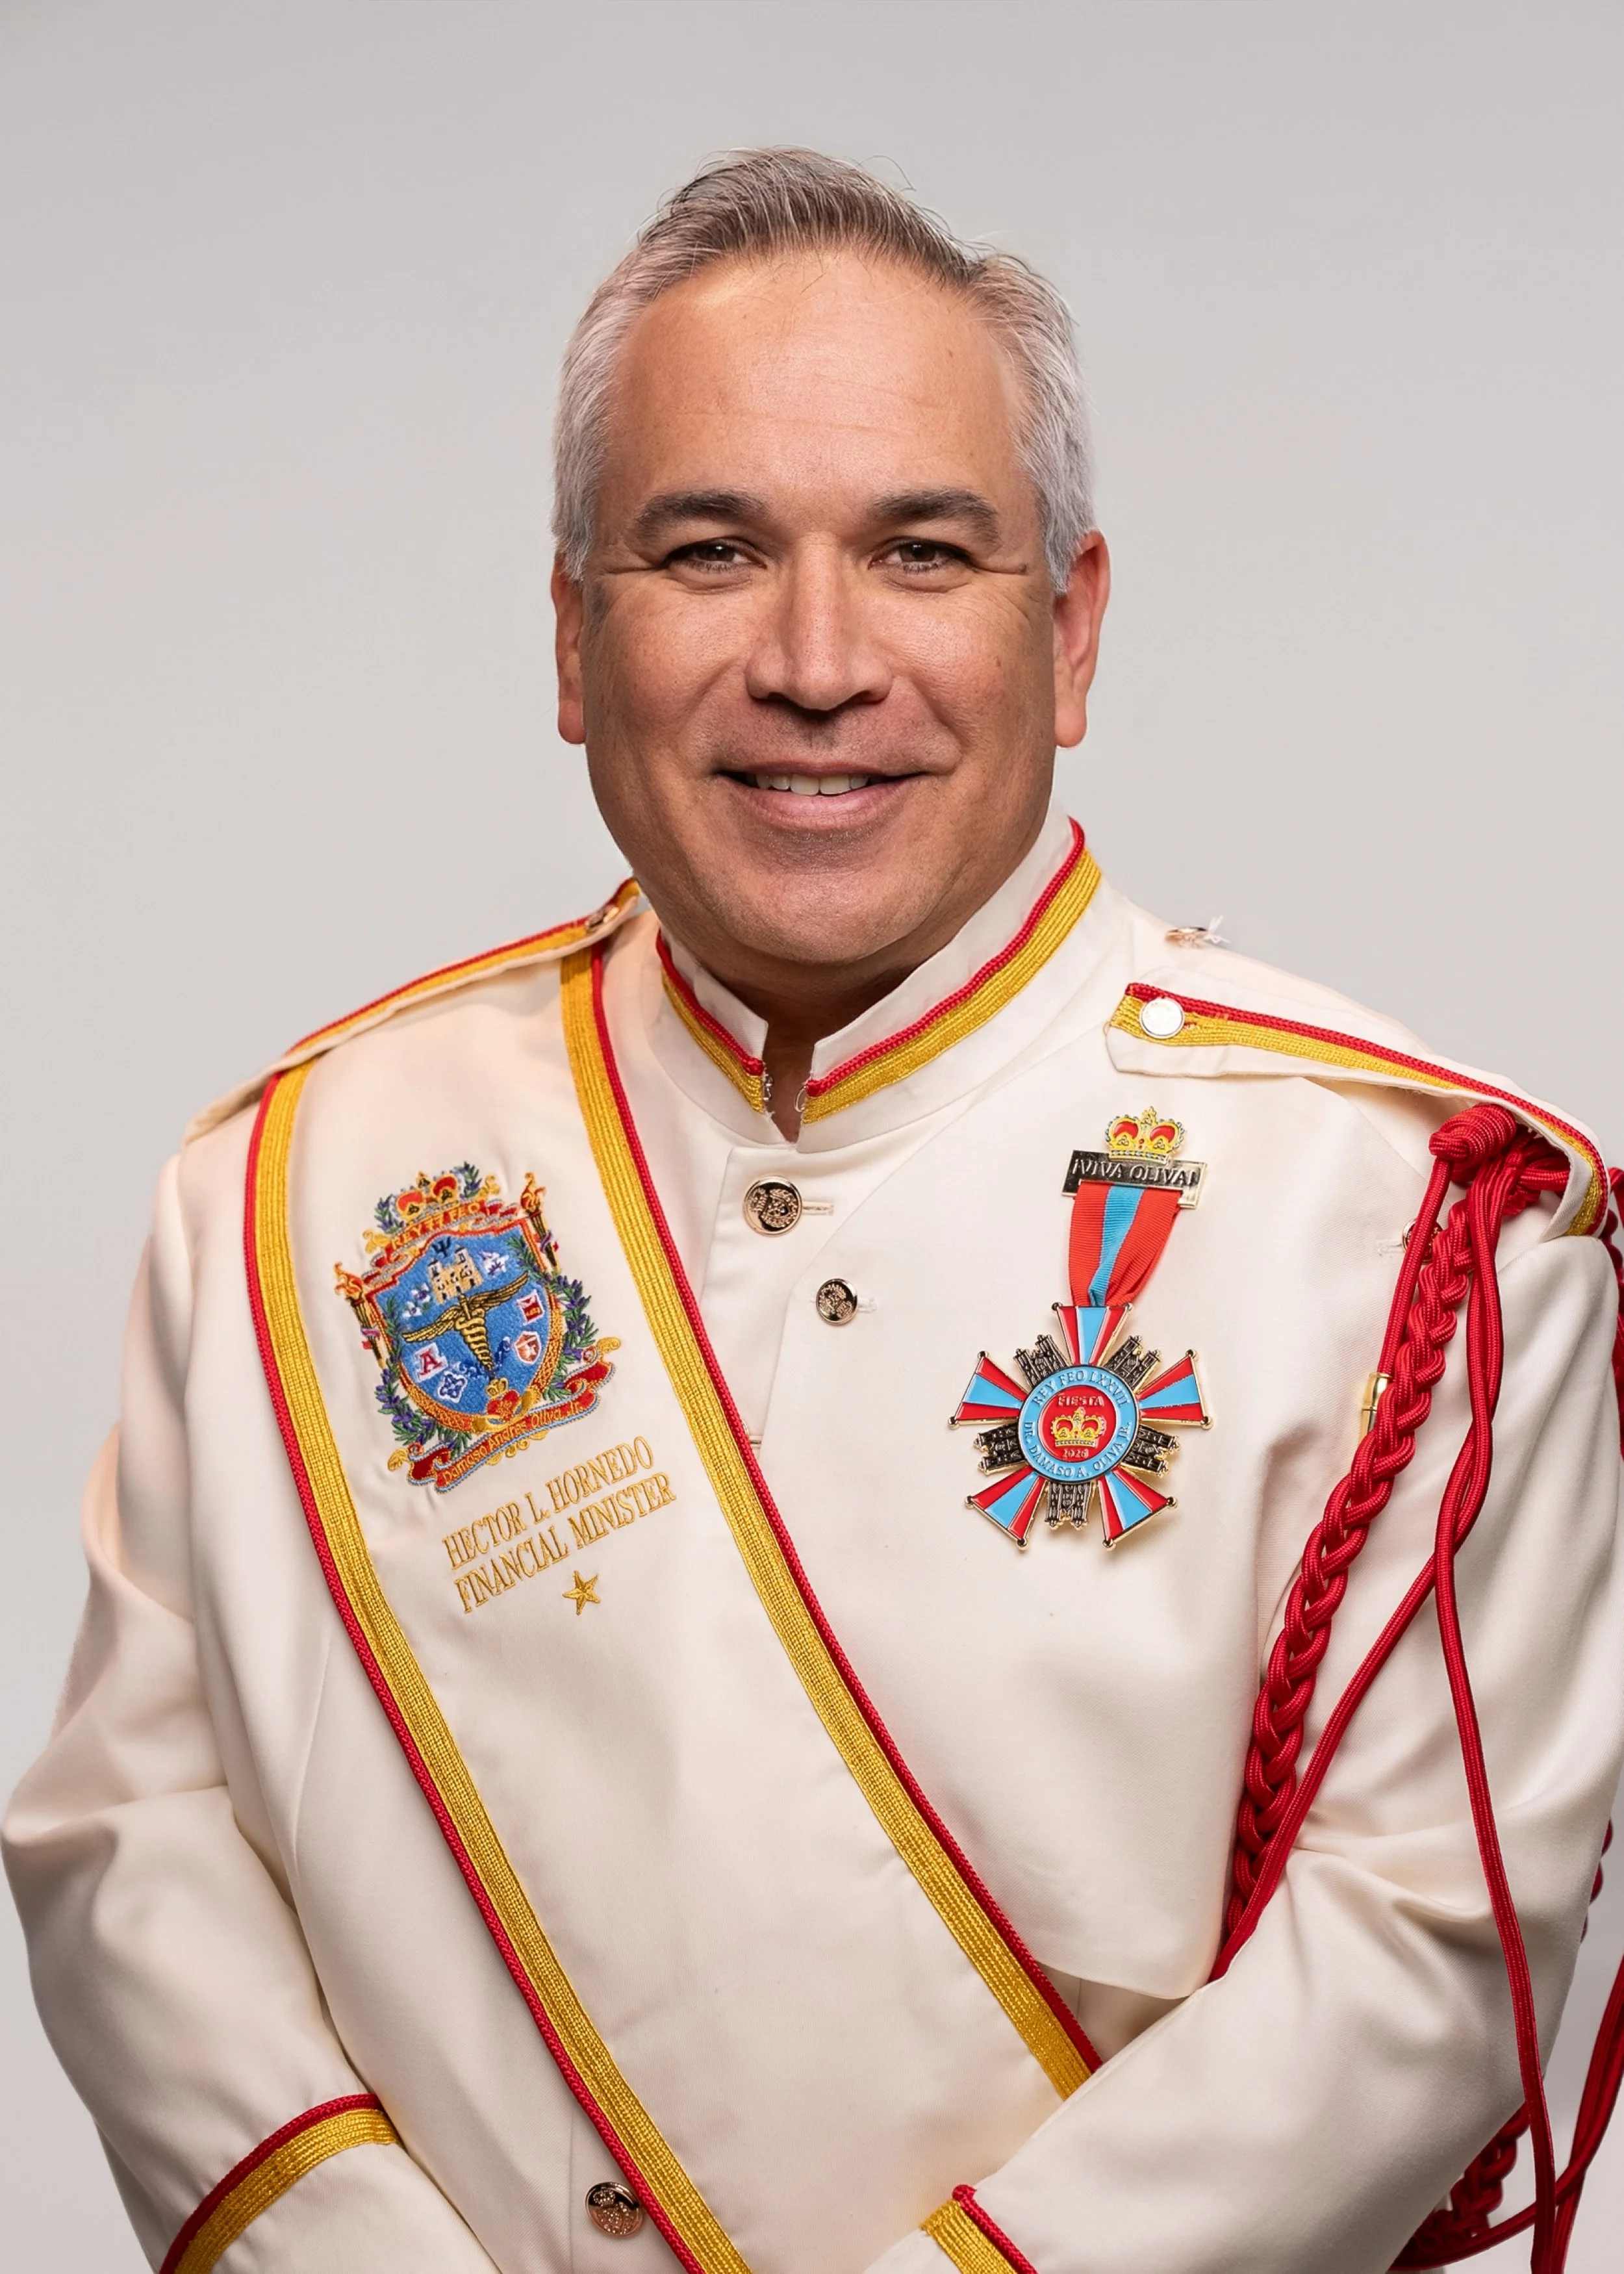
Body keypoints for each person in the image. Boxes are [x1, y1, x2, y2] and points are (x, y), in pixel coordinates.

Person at [6, 147, 1623, 2274]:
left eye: (920, 552)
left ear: (1069, 630)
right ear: (572, 636)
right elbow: (134, 1840)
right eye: (710, 551)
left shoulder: (1417, 1218)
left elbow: (1421, 1945)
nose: (816, 658)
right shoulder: (297, 1181)